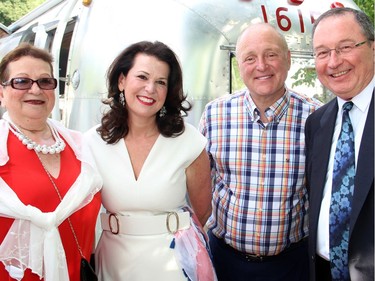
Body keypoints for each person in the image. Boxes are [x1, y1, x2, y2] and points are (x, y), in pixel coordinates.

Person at [84, 40, 216, 281]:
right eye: (142, 77)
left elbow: (203, 211)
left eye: (161, 82)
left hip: (172, 265)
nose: (150, 89)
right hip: (113, 263)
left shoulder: (190, 141)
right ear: (122, 81)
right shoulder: (92, 142)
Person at [199, 22, 321, 281]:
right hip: (224, 261)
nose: (262, 66)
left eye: (271, 55)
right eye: (250, 58)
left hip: (291, 266)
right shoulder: (214, 115)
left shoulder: (316, 117)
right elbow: (198, 185)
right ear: (239, 65)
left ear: (288, 59)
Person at [0, 43, 102, 281]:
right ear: (1, 93)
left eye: (45, 81)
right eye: (21, 81)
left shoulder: (80, 145)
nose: (35, 89)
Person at [305, 7, 374, 281]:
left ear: (372, 47)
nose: (333, 62)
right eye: (322, 52)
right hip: (322, 270)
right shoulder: (317, 123)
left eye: (345, 47)